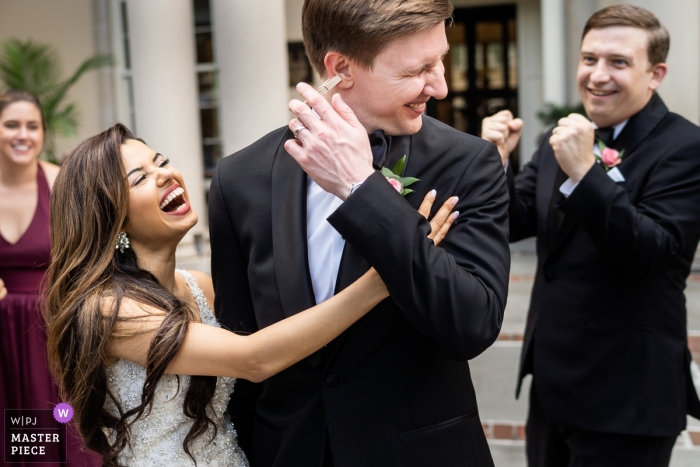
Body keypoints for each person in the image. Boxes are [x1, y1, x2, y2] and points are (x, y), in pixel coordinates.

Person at [42, 123, 455, 466]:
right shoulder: (108, 310)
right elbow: (254, 359)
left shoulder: (199, 286)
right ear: (110, 218)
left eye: (161, 161)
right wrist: (380, 279)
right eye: (140, 178)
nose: (166, 174)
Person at [209, 1, 510, 465]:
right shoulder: (238, 179)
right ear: (341, 68)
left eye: (441, 60)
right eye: (419, 69)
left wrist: (362, 190)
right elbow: (240, 349)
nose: (442, 86)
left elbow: (471, 326)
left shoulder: (466, 164)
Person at [481, 5, 700, 466]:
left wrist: (585, 173)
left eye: (618, 62)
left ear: (655, 73)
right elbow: (516, 220)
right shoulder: (558, 138)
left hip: (628, 398)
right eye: (588, 59)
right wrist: (495, 161)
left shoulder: (684, 148)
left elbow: (652, 252)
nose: (597, 75)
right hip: (553, 385)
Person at [0, 89, 99, 466]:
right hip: (2, 336)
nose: (22, 134)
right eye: (11, 125)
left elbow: (90, 253)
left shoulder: (62, 184)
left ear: (43, 133)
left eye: (32, 126)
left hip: (53, 329)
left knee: (57, 429)